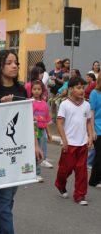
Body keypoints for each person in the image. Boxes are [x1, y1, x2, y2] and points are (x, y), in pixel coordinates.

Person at [0, 50, 43, 233]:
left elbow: (27, 118)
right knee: (5, 194)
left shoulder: (22, 90)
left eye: (16, 62)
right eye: (9, 62)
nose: (14, 66)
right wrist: (0, 106)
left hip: (18, 145)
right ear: (0, 66)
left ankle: (0, 227)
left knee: (11, 193)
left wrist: (36, 145)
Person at [55, 77, 92, 206]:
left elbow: (88, 122)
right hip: (69, 143)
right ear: (71, 89)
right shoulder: (65, 104)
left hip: (82, 143)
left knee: (81, 170)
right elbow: (59, 123)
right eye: (78, 87)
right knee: (66, 169)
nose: (82, 90)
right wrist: (64, 140)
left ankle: (80, 195)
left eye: (83, 87)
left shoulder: (86, 105)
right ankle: (60, 184)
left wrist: (90, 136)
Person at [31, 80, 53, 178]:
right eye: (34, 89)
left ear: (42, 91)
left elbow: (46, 120)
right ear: (31, 90)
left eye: (39, 89)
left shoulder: (44, 104)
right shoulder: (29, 102)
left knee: (41, 152)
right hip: (33, 130)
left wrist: (48, 133)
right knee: (34, 151)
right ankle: (36, 173)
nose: (36, 91)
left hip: (42, 131)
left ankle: (36, 171)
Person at [89, 76, 101, 188]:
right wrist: (92, 130)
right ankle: (94, 180)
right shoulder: (94, 93)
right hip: (97, 127)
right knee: (99, 155)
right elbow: (91, 112)